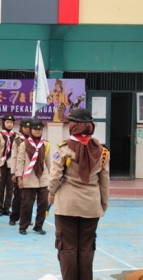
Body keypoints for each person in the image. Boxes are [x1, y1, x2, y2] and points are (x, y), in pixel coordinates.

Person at [48, 108, 110, 280]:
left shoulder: (64, 148)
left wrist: (51, 195)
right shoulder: (102, 151)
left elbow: (54, 177)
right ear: (91, 126)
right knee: (86, 248)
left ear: (73, 126)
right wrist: (103, 203)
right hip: (91, 205)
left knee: (67, 248)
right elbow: (104, 181)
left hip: (67, 206)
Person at [15, 119, 50, 235]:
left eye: (40, 129)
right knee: (27, 204)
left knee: (43, 203)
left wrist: (51, 177)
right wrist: (19, 177)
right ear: (30, 130)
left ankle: (38, 226)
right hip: (29, 177)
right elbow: (20, 161)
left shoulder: (45, 144)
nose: (38, 131)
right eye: (35, 129)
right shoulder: (24, 144)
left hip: (43, 178)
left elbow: (48, 162)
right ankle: (23, 226)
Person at [9, 118, 30, 226]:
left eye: (29, 127)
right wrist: (14, 173)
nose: (27, 130)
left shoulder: (35, 141)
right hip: (19, 172)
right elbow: (14, 157)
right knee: (18, 196)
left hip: (30, 173)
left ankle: (25, 219)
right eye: (25, 127)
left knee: (28, 198)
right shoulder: (17, 140)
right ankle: (14, 217)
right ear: (21, 127)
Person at [0, 115, 17, 217]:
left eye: (11, 122)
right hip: (1, 164)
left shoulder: (16, 136)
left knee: (10, 188)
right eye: (7, 122)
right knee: (0, 188)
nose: (9, 124)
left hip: (11, 165)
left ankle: (7, 208)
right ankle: (0, 208)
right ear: (3, 123)